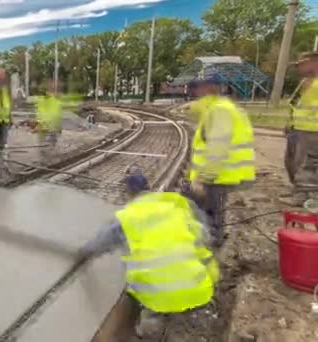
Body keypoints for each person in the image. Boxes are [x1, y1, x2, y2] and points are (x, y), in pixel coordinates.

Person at [80, 172, 218, 338]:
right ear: (148, 189)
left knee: (146, 318)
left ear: (129, 193)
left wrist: (82, 252)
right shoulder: (175, 205)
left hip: (157, 298)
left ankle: (148, 329)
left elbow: (100, 242)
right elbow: (205, 234)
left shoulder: (127, 216)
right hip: (198, 291)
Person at [187, 76, 255, 246]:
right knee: (211, 214)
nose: (194, 92)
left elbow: (217, 148)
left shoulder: (219, 111)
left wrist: (203, 178)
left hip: (217, 176)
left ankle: (209, 252)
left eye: (198, 88)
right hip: (220, 174)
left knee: (209, 216)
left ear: (209, 88)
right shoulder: (220, 107)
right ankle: (210, 243)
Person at [280, 52, 318, 206]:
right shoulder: (305, 82)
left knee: (305, 164)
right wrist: (289, 124)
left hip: (313, 131)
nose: (298, 68)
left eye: (301, 64)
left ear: (313, 62)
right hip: (297, 129)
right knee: (290, 161)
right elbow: (294, 104)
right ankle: (297, 189)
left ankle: (305, 196)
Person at [35, 79, 63, 161]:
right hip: (48, 128)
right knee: (48, 148)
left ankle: (46, 162)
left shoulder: (43, 101)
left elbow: (57, 116)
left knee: (45, 148)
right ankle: (47, 162)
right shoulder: (54, 101)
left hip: (47, 128)